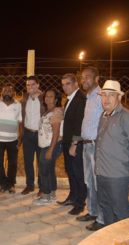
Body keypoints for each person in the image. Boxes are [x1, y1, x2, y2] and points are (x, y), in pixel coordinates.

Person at [96, 80, 129, 225]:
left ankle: (126, 241)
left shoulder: (127, 117)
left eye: (111, 95)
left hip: (117, 174)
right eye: (104, 95)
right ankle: (111, 237)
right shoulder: (104, 116)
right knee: (106, 207)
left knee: (120, 209)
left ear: (119, 98)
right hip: (102, 172)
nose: (106, 99)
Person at [75, 67, 105, 231]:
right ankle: (93, 211)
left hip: (96, 146)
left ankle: (102, 217)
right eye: (82, 77)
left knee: (98, 182)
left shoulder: (101, 97)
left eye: (87, 77)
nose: (84, 80)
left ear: (96, 78)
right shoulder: (89, 97)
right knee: (89, 181)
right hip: (86, 145)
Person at [57, 73, 87, 216]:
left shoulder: (81, 98)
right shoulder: (69, 99)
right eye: (63, 84)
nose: (65, 87)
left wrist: (75, 143)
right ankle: (72, 197)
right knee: (70, 171)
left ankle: (80, 203)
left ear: (76, 84)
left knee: (78, 173)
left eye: (68, 83)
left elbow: (80, 123)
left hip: (75, 143)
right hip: (67, 141)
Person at [33, 88, 63, 205]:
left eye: (51, 96)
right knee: (49, 170)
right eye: (46, 96)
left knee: (44, 171)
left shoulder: (56, 111)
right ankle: (52, 194)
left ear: (56, 100)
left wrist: (50, 149)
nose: (48, 98)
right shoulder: (47, 111)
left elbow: (56, 132)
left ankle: (45, 196)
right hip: (45, 145)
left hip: (51, 145)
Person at [0, 84, 22, 193]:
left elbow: (20, 123)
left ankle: (11, 185)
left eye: (9, 91)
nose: (6, 93)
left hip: (13, 139)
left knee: (12, 163)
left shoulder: (18, 105)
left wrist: (20, 138)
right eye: (4, 91)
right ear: (1, 93)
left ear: (13, 93)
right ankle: (2, 183)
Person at [20, 76, 45, 195]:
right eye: (28, 85)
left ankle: (42, 186)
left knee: (41, 162)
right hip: (28, 134)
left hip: (40, 134)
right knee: (28, 161)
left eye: (33, 84)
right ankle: (29, 185)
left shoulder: (44, 98)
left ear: (38, 85)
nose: (30, 87)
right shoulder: (25, 99)